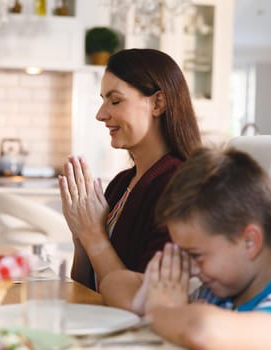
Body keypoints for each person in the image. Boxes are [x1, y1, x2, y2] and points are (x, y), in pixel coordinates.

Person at [101, 148, 271, 349]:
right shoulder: (212, 295)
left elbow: (202, 331)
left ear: (249, 242)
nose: (191, 268)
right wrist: (155, 304)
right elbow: (114, 282)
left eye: (196, 255)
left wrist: (161, 312)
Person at [58, 48, 201, 290]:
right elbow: (86, 288)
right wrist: (81, 237)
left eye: (115, 101)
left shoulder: (181, 189)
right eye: (103, 100)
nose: (100, 114)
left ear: (158, 103)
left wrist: (94, 235)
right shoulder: (122, 183)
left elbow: (142, 299)